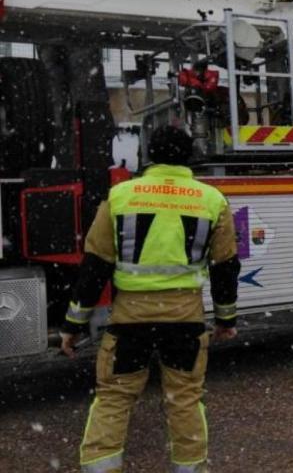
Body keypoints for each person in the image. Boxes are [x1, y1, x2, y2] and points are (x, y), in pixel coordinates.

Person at [60, 125, 240, 473]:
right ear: (189, 156)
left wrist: (73, 325)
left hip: (130, 322)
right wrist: (225, 320)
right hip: (185, 322)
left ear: (149, 154)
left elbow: (95, 266)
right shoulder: (212, 200)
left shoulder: (120, 196)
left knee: (113, 399)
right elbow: (225, 265)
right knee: (184, 401)